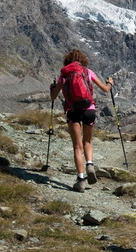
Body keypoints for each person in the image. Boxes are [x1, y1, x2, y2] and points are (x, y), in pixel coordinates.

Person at [49, 49, 114, 193]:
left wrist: (52, 89)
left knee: (77, 147)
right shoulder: (88, 72)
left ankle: (81, 180)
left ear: (67, 61)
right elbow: (104, 89)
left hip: (72, 111)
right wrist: (110, 83)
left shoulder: (64, 75)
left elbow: (53, 97)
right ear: (82, 60)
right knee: (87, 142)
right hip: (89, 109)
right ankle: (90, 164)